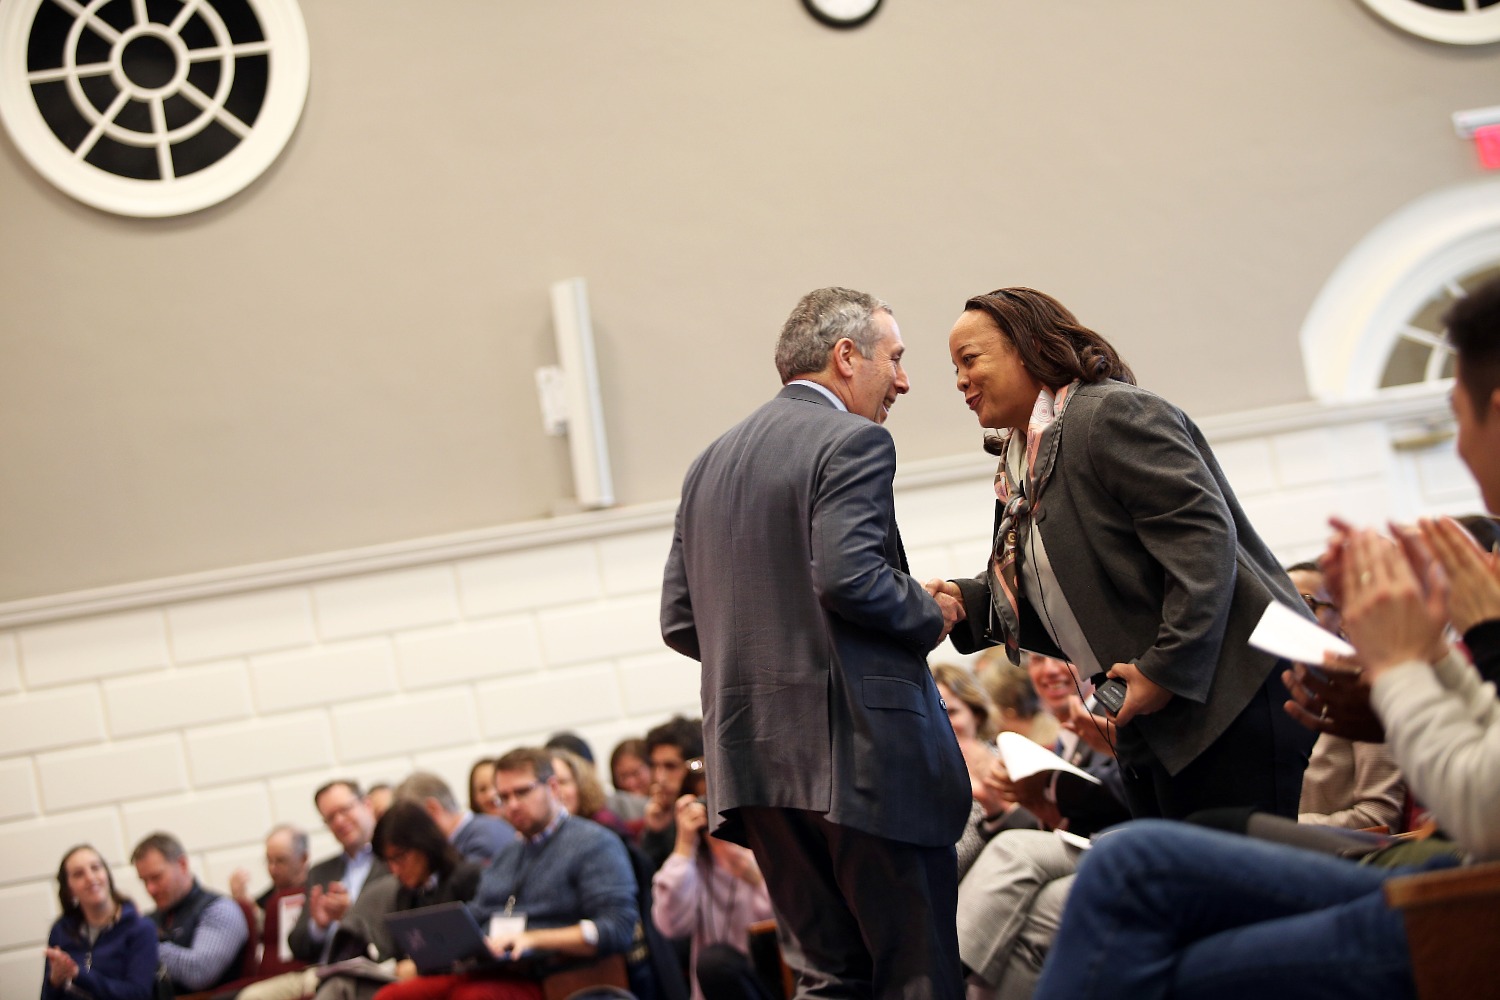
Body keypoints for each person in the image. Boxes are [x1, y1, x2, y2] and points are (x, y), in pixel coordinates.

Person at [1029, 271, 1500, 1000]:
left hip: (1468, 894)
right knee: (1146, 876)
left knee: (1139, 884)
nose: (1461, 450)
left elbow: (1486, 809)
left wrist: (1413, 664)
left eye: (1459, 416)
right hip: (1460, 863)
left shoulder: (1110, 417)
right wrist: (1416, 677)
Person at [661, 286, 971, 1000]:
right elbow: (851, 579)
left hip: (756, 764)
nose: (903, 379)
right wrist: (930, 612)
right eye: (894, 358)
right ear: (844, 357)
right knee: (915, 974)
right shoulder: (854, 441)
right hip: (864, 760)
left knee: (829, 980)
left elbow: (681, 621)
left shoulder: (708, 463)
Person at [930, 286, 1315, 820]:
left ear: (1028, 346)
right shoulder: (1021, 463)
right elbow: (1056, 592)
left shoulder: (1108, 413)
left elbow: (1203, 543)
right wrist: (965, 601)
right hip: (1153, 722)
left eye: (969, 360)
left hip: (1228, 700)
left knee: (1247, 897)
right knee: (1186, 898)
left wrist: (1163, 669)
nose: (960, 381)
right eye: (955, 368)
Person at [373, 748, 642, 1000]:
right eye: (504, 797)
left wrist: (532, 938)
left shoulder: (594, 843)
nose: (511, 805)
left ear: (552, 787)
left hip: (555, 974)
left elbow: (617, 928)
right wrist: (436, 946)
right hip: (495, 968)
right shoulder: (509, 854)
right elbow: (478, 914)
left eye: (522, 792)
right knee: (391, 996)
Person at [314, 801, 484, 1000]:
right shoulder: (406, 893)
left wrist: (418, 965)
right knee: (341, 983)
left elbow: (477, 946)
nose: (394, 870)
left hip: (461, 978)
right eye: (389, 862)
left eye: (399, 857)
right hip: (415, 979)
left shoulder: (467, 877)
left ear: (424, 844)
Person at [652, 782, 776, 1000]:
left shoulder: (769, 848)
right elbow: (670, 927)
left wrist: (754, 876)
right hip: (713, 990)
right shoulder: (694, 865)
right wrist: (684, 845)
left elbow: (784, 927)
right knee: (714, 963)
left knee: (717, 962)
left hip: (772, 984)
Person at [131, 831, 249, 994]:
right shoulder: (151, 919)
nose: (150, 889)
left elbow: (199, 972)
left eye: (156, 877)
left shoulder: (219, 910)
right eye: (144, 881)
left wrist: (141, 944)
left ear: (182, 865)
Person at [42, 845, 158, 1000]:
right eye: (78, 874)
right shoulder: (61, 930)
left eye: (95, 868)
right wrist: (54, 982)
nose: (90, 878)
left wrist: (78, 975)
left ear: (107, 875)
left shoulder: (140, 928)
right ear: (69, 888)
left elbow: (138, 994)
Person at [393, 770, 516, 864]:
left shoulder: (483, 839)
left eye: (411, 826)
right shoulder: (473, 834)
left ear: (432, 809)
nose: (411, 838)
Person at [551, 748, 629, 835]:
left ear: (581, 784)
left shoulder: (603, 824)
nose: (556, 791)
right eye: (549, 785)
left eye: (563, 782)